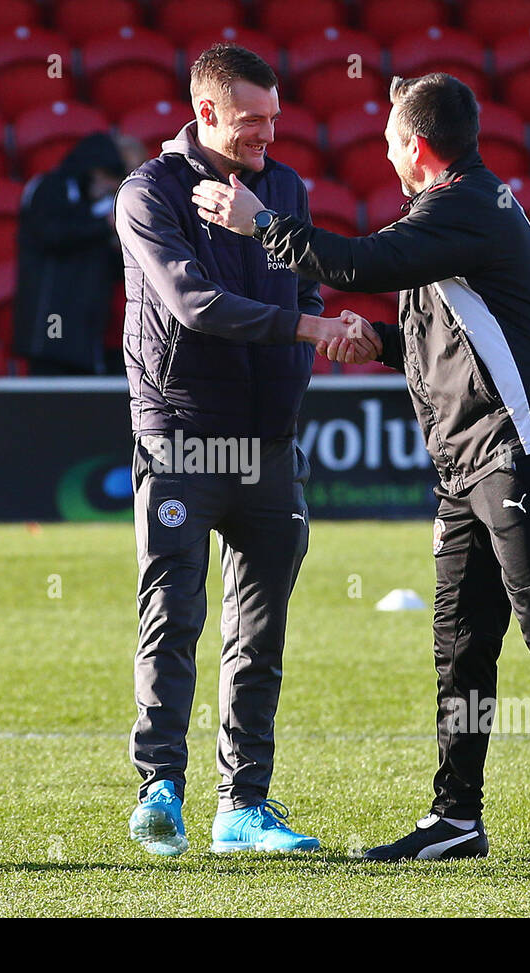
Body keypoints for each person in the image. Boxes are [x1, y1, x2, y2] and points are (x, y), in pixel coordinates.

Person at [194, 72, 530, 871]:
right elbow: (448, 339)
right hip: (469, 454)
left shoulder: (464, 207)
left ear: (418, 145)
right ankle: (456, 817)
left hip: (522, 445)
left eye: (393, 138)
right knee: (462, 643)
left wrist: (263, 223)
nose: (387, 151)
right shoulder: (454, 216)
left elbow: (356, 264)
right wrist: (380, 342)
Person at [115, 43, 373, 856]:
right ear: (207, 114)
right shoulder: (149, 192)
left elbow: (303, 285)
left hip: (269, 441)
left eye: (275, 118)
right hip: (181, 434)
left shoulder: (284, 187)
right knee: (174, 615)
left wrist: (315, 329)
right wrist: (310, 328)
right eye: (252, 121)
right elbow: (192, 303)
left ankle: (243, 806)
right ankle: (160, 788)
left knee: (259, 632)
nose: (268, 133)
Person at [13, 131, 144, 374]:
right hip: (53, 315)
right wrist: (105, 226)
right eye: (107, 175)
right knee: (51, 381)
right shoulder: (51, 187)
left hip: (88, 325)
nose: (111, 184)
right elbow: (50, 233)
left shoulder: (99, 203)